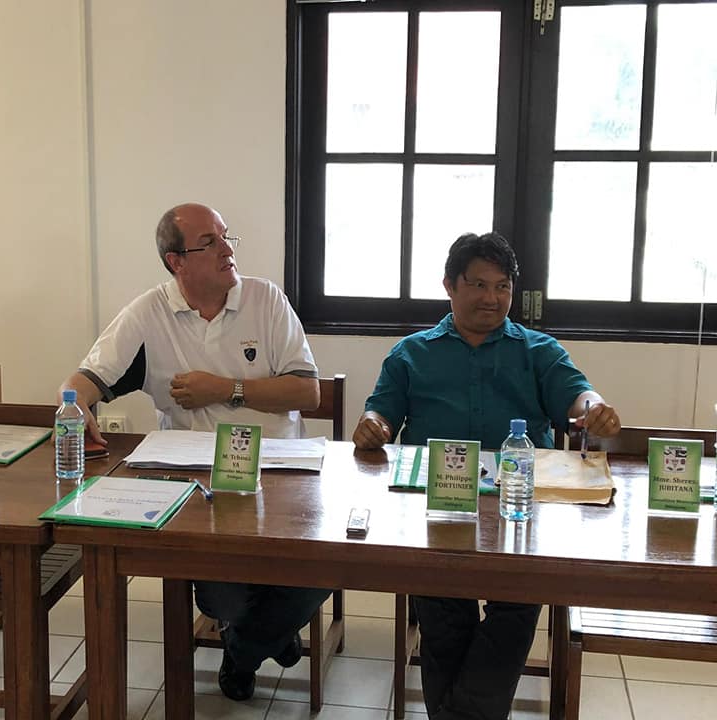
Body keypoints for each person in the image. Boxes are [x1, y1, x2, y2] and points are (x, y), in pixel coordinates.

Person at [59, 202, 330, 701]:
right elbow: (85, 378)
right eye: (210, 242)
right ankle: (270, 635)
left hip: (280, 472)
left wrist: (225, 389)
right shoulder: (149, 311)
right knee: (221, 595)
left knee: (321, 570)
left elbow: (307, 392)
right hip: (198, 480)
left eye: (226, 236)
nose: (227, 249)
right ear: (176, 261)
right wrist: (74, 405)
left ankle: (244, 649)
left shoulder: (266, 299)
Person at [353, 231, 621, 720]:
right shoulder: (411, 353)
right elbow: (380, 414)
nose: (492, 298)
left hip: (521, 510)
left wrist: (594, 408)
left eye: (503, 287)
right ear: (449, 286)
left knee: (517, 607)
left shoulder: (539, 350)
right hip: (436, 507)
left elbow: (578, 396)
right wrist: (374, 425)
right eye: (478, 284)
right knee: (442, 613)